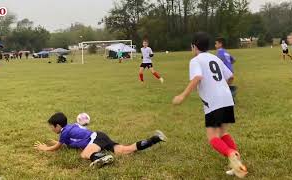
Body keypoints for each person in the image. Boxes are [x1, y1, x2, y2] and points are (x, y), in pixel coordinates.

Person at [172, 32, 248, 178]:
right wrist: (221, 88)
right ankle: (237, 165)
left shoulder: (195, 60)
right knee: (223, 133)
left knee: (213, 137)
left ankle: (231, 153)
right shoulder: (215, 58)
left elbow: (197, 78)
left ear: (194, 46)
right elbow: (230, 77)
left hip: (214, 102)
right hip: (227, 99)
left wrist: (182, 96)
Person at [34, 112, 167, 168]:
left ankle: (102, 157)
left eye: (52, 127)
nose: (51, 129)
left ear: (58, 126)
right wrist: (55, 142)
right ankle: (155, 139)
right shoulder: (69, 128)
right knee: (124, 150)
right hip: (100, 136)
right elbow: (64, 142)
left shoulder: (64, 132)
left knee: (85, 154)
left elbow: (57, 147)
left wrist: (45, 148)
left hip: (95, 138)